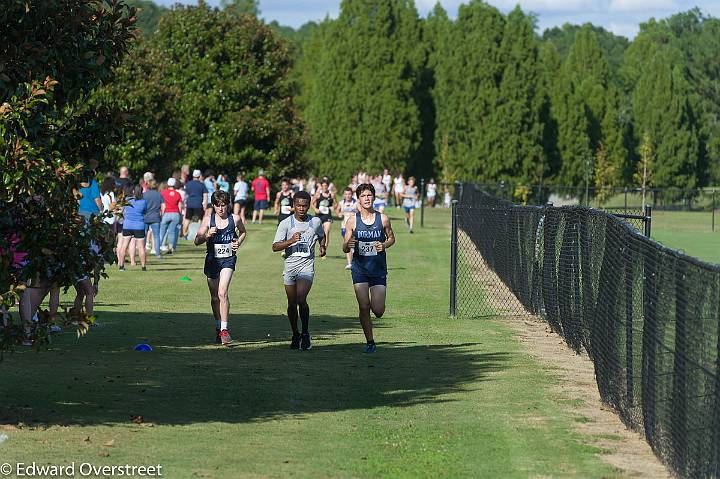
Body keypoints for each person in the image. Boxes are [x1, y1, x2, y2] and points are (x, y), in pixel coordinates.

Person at [342, 183, 395, 353]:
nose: (367, 198)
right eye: (363, 196)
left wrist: (384, 245)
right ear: (359, 199)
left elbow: (392, 238)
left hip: (378, 269)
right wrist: (347, 244)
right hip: (360, 269)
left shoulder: (383, 218)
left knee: (378, 310)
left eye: (369, 195)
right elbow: (344, 247)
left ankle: (376, 306)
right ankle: (370, 341)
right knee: (364, 306)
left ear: (374, 197)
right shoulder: (352, 220)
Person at [272, 191, 326, 350]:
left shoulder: (315, 222)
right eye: (298, 206)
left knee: (301, 298)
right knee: (291, 303)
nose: (302, 209)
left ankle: (305, 333)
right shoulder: (286, 223)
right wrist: (290, 241)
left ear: (309, 205)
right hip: (290, 268)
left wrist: (322, 246)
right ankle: (295, 333)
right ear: (293, 206)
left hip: (306, 267)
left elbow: (321, 236)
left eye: (305, 206)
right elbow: (275, 246)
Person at [195, 190, 245, 346]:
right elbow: (197, 241)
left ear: (228, 205)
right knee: (215, 297)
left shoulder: (235, 219)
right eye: (218, 206)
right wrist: (206, 236)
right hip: (212, 260)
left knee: (222, 292)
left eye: (223, 205)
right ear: (213, 205)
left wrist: (238, 242)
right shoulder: (207, 220)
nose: (221, 209)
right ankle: (218, 327)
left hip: (228, 260)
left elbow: (243, 232)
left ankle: (224, 330)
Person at [117, 185, 148, 271]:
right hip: (139, 226)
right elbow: (145, 212)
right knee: (141, 247)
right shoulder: (143, 202)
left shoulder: (127, 201)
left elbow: (122, 211)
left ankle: (121, 266)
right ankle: (143, 267)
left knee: (124, 246)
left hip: (127, 225)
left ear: (133, 192)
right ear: (142, 192)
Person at [160, 177, 183, 255]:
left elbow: (162, 205)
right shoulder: (178, 194)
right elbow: (180, 207)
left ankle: (158, 246)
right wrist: (180, 216)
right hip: (175, 214)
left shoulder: (163, 192)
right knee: (172, 232)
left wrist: (161, 214)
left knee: (162, 231)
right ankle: (171, 248)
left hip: (166, 213)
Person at [182, 169, 208, 238]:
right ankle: (200, 234)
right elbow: (205, 195)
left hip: (189, 203)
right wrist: (205, 205)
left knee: (187, 219)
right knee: (200, 219)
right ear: (199, 176)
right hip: (198, 204)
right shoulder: (202, 184)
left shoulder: (188, 184)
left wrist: (184, 203)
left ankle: (184, 234)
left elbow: (185, 194)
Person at [336, 187, 357, 270]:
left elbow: (361, 211)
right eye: (346, 194)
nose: (348, 196)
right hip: (344, 226)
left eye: (349, 194)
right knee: (347, 244)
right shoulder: (341, 203)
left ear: (352, 194)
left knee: (353, 244)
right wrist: (339, 214)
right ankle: (349, 263)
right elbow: (337, 210)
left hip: (355, 227)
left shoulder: (356, 203)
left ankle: (356, 261)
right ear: (344, 195)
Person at [143, 179, 163, 259]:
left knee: (143, 236)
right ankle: (158, 254)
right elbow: (163, 206)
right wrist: (161, 215)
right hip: (156, 216)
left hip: (145, 216)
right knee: (156, 236)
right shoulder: (159, 194)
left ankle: (142, 252)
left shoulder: (144, 195)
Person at [314, 179, 334, 250]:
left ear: (328, 186)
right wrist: (315, 209)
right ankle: (319, 246)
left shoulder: (331, 195)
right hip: (319, 216)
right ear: (321, 186)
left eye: (326, 186)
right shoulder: (318, 194)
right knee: (317, 233)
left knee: (327, 231)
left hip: (328, 216)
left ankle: (324, 250)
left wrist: (334, 207)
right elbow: (312, 203)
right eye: (323, 186)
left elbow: (335, 204)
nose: (324, 187)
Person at [100, 177, 119, 247]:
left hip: (102, 218)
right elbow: (113, 206)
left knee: (103, 240)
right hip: (110, 219)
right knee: (110, 240)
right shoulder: (110, 193)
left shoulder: (101, 193)